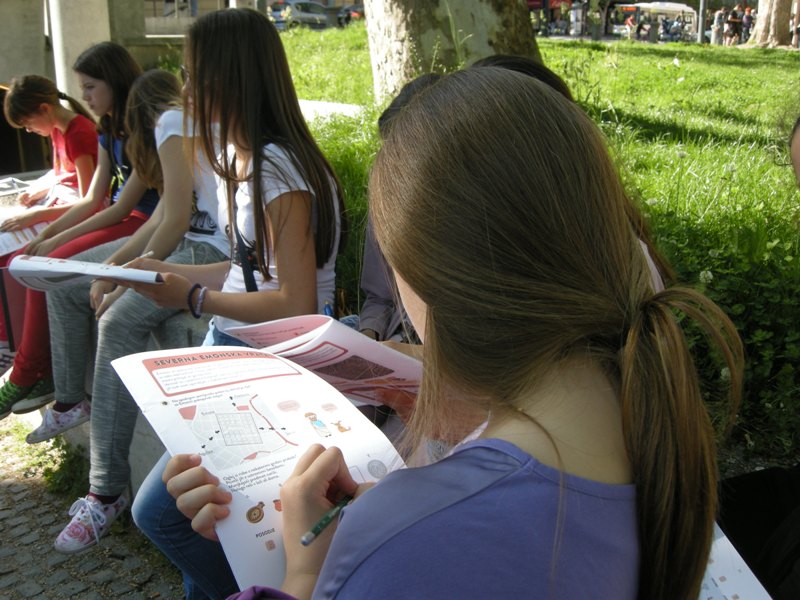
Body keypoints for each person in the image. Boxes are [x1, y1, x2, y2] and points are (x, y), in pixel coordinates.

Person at [165, 68, 744, 600]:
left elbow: (436, 549)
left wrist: (304, 577)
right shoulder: (655, 443)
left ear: (426, 283)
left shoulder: (406, 542)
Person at [127, 8, 344, 598]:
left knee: (162, 515)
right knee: (200, 519)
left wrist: (193, 297)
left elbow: (295, 301)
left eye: (193, 73)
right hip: (235, 349)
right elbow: (248, 272)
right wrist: (166, 272)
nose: (186, 89)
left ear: (229, 77)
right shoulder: (241, 157)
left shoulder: (277, 168)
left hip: (274, 361)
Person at [41, 69, 230, 554]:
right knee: (73, 289)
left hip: (207, 250)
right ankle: (71, 402)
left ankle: (104, 492)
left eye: (90, 86)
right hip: (194, 245)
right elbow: (166, 214)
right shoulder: (179, 121)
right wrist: (113, 268)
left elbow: (177, 220)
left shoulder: (169, 120)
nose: (84, 96)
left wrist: (122, 272)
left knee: (116, 320)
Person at [0, 42, 158, 418]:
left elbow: (119, 205)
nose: (83, 97)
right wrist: (46, 236)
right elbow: (91, 199)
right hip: (122, 217)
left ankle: (30, 373)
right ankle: (32, 369)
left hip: (141, 221)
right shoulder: (106, 129)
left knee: (48, 269)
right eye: (82, 87)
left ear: (115, 81)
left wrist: (55, 238)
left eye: (90, 87)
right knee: (36, 261)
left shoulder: (141, 129)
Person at [1, 74, 97, 228]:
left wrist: (38, 215)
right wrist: (40, 191)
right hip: (65, 200)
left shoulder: (78, 135)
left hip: (80, 210)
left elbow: (89, 203)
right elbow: (66, 174)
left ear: (45, 109)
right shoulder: (57, 129)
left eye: (28, 123)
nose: (28, 130)